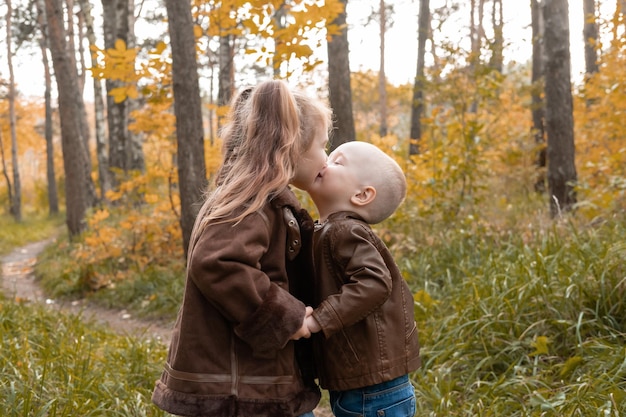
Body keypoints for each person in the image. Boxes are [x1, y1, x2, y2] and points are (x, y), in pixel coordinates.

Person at [151, 79, 332, 417]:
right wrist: (289, 319)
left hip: (252, 381)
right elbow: (219, 262)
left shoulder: (261, 199)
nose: (326, 156)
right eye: (322, 145)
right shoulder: (251, 201)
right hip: (239, 394)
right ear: (293, 145)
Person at [304, 141, 421, 417]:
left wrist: (320, 318)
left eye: (337, 162)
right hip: (367, 385)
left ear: (362, 195)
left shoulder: (345, 231)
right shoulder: (328, 229)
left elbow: (375, 283)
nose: (324, 162)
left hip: (375, 390)